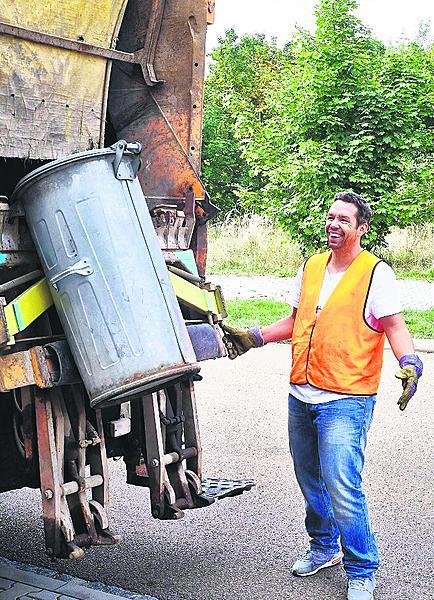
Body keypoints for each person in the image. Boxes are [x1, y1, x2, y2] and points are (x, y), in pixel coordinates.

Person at [221, 191, 423, 600]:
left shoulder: (375, 273)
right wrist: (255, 337)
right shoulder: (312, 266)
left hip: (345, 399)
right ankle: (324, 547)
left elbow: (395, 326)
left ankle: (363, 569)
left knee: (342, 485)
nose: (333, 224)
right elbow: (296, 321)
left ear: (361, 228)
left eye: (343, 220)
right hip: (302, 393)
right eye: (330, 217)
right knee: (310, 479)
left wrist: (411, 363)